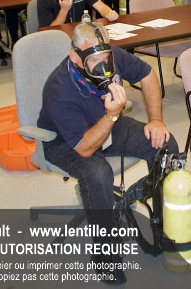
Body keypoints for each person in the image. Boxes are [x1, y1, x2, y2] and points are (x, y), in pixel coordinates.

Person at [38, 23, 177, 280]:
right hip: (65, 142)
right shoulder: (59, 90)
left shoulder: (109, 55)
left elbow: (147, 75)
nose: (104, 66)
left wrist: (156, 120)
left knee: (165, 145)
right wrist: (112, 114)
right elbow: (85, 148)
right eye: (95, 61)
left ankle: (165, 225)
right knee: (98, 174)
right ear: (75, 57)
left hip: (109, 124)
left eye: (106, 58)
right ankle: (104, 255)